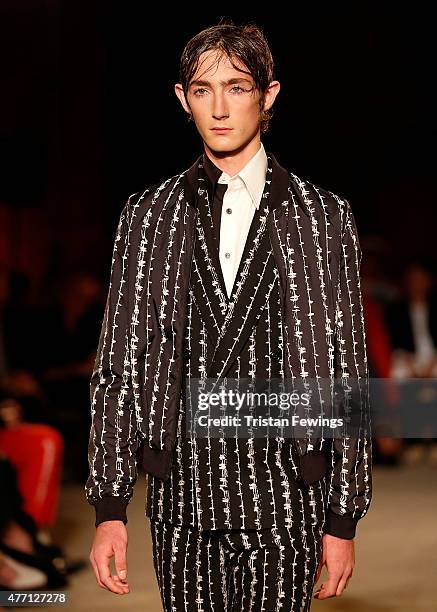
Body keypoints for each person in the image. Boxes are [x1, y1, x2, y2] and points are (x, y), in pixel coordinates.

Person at [85, 20, 373, 610]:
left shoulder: (322, 217)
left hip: (288, 491)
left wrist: (343, 515)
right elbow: (119, 364)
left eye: (237, 87)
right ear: (180, 98)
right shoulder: (148, 216)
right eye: (202, 89)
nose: (218, 107)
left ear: (268, 95)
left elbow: (346, 370)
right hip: (183, 497)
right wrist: (110, 506)